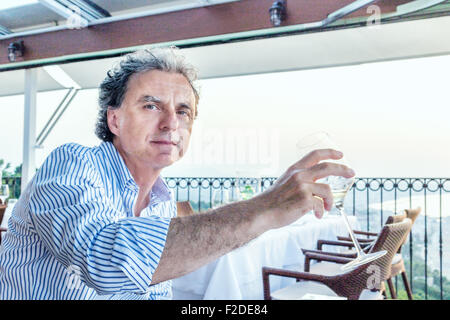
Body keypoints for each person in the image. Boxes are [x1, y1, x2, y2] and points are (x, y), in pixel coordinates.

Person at [0, 47, 354, 300]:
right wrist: (266, 207)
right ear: (115, 120)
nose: (171, 123)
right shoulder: (71, 165)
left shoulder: (161, 203)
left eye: (183, 111)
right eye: (151, 105)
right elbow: (104, 260)